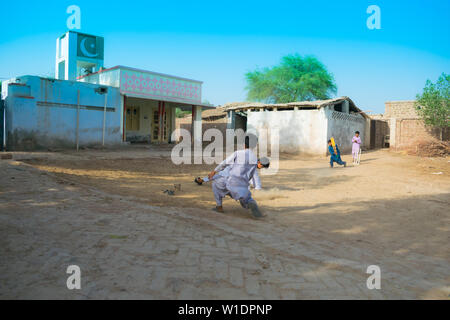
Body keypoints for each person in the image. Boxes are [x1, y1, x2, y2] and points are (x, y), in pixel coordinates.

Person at [196, 136, 270, 218]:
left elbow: (225, 163)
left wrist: (214, 171)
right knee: (245, 199)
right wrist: (256, 188)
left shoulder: (238, 153)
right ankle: (250, 203)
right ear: (255, 146)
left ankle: (219, 207)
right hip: (242, 186)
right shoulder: (254, 160)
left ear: (244, 145)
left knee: (216, 183)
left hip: (229, 180)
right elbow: (254, 178)